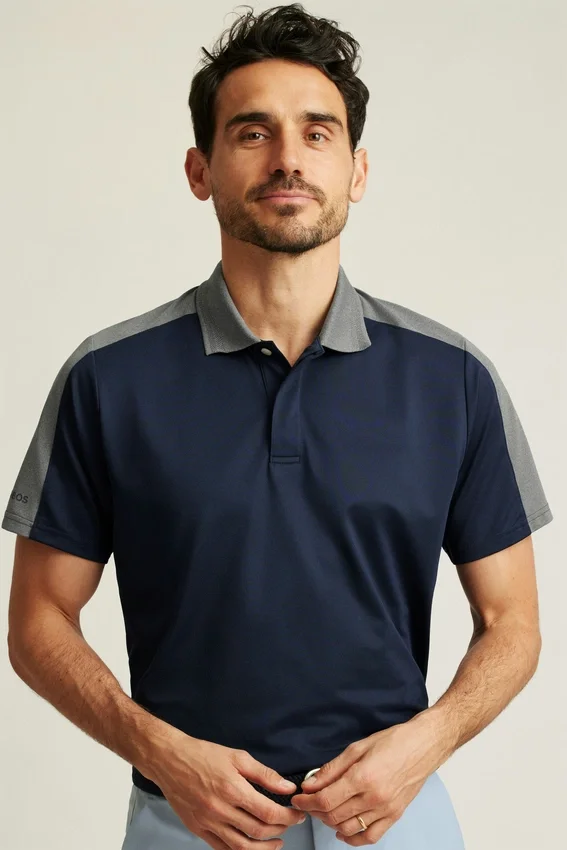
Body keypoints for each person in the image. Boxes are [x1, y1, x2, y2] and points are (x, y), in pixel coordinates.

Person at [3, 4, 553, 850]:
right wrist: (161, 753)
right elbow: (38, 619)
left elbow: (512, 622)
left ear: (356, 170)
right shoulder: (109, 378)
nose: (288, 158)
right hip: (185, 824)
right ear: (200, 169)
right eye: (252, 133)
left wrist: (427, 743)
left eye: (317, 133)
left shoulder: (452, 379)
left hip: (393, 822)